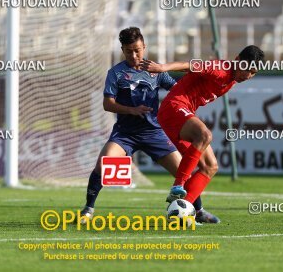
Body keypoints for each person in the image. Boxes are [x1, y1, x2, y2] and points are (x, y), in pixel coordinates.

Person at [78, 27, 219, 224]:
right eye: (128, 51)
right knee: (103, 164)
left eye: (137, 50)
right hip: (125, 134)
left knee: (183, 172)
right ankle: (88, 209)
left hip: (155, 132)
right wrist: (131, 110)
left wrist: (199, 84)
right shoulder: (116, 73)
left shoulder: (156, 71)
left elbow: (179, 90)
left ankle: (199, 210)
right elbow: (107, 104)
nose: (134, 55)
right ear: (122, 50)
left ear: (144, 46)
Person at [143, 46, 264, 213]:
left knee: (210, 166)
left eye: (253, 72)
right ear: (237, 60)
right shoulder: (220, 69)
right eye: (246, 69)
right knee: (205, 135)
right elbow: (190, 65)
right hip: (173, 108)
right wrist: (163, 68)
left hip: (179, 114)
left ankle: (183, 209)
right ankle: (178, 185)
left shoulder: (231, 81)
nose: (248, 76)